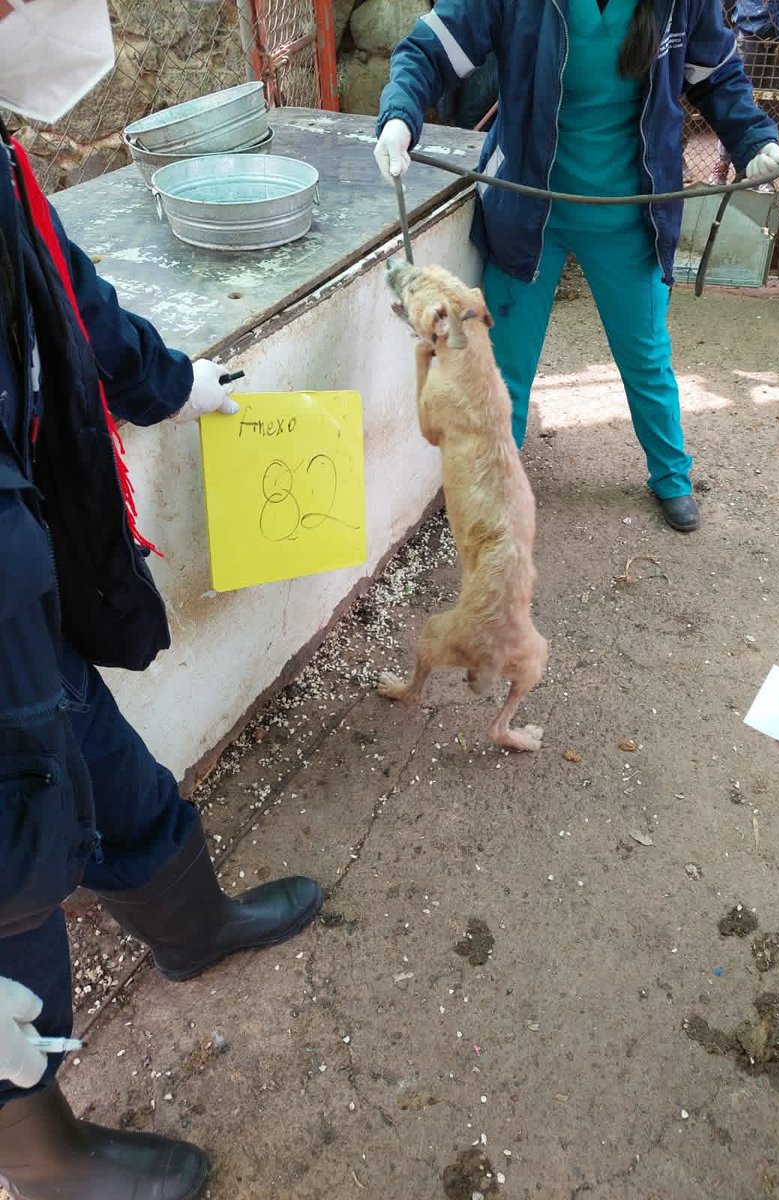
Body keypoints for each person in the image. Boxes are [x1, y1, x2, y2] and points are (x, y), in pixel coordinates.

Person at [0, 2, 323, 1197]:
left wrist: (173, 385)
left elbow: (63, 294)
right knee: (13, 860)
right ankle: (37, 1154)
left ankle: (192, 932)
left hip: (20, 586)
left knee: (105, 768)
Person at [374, 0, 779, 533]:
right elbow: (428, 51)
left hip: (628, 213)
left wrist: (754, 139)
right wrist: (399, 119)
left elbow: (718, 74)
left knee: (645, 356)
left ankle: (671, 477)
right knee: (506, 365)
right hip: (527, 208)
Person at [711, 0, 779, 185]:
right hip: (752, 22)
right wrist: (723, 22)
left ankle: (765, 170)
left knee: (773, 104)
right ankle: (723, 163)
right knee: (737, 97)